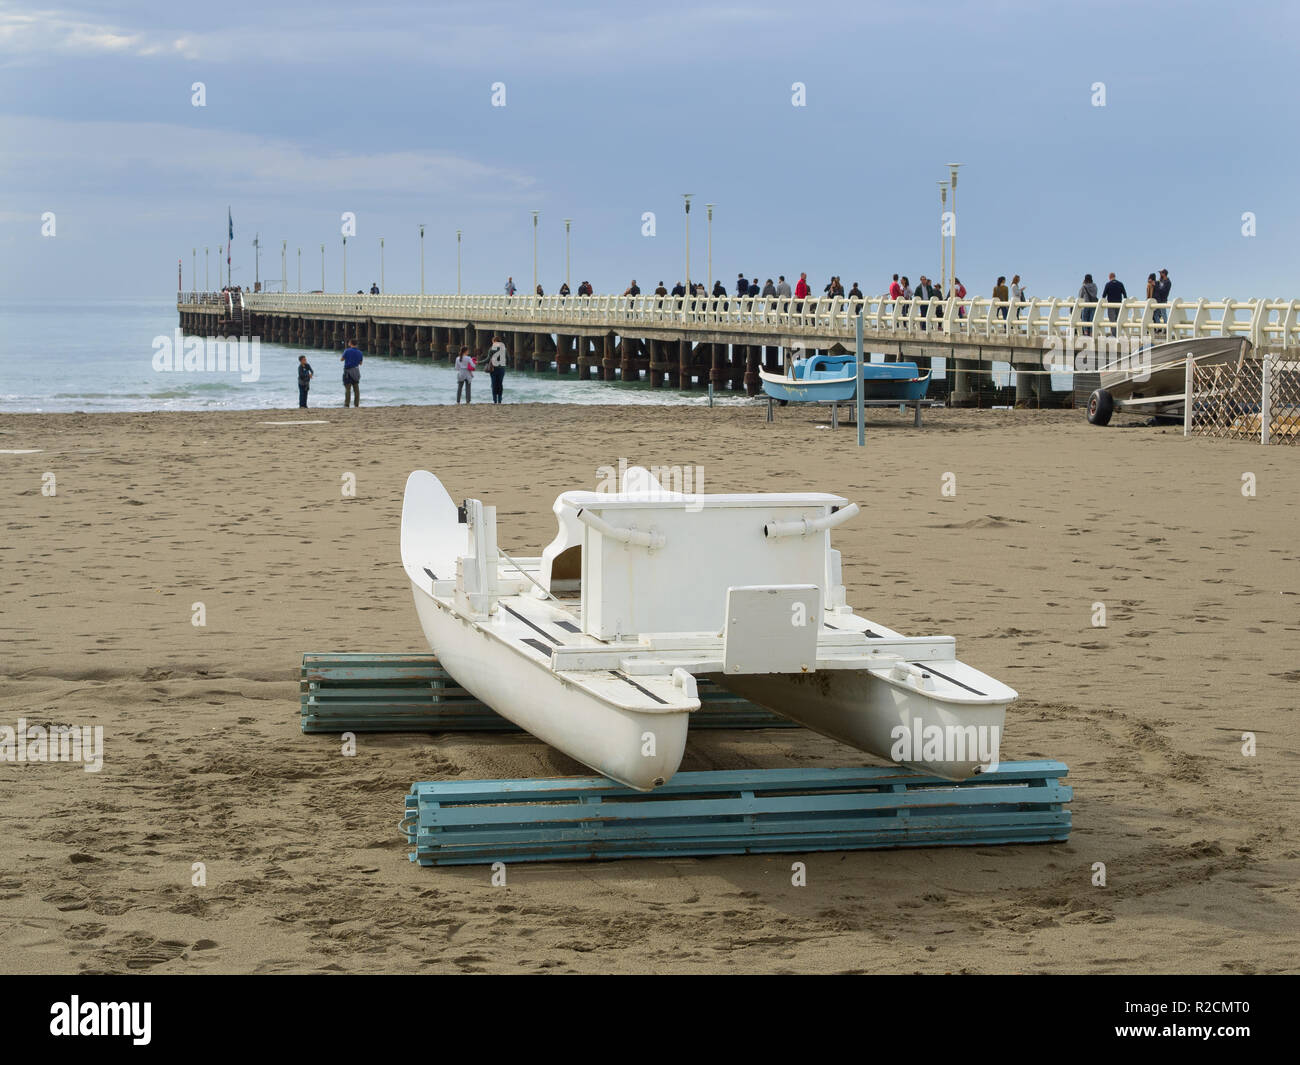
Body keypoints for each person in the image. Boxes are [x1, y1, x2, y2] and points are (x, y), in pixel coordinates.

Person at [486, 335, 508, 404]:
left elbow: (487, 359)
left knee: (494, 384)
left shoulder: (491, 349)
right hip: (502, 369)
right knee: (500, 384)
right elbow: (508, 358)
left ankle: (494, 400)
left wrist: (478, 362)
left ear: (494, 341)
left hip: (494, 369)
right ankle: (500, 399)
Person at [340, 341, 363, 406]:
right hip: (356, 371)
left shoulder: (347, 351)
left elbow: (341, 359)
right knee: (356, 389)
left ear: (350, 344)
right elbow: (361, 363)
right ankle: (356, 404)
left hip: (348, 371)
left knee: (348, 389)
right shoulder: (360, 352)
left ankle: (347, 404)